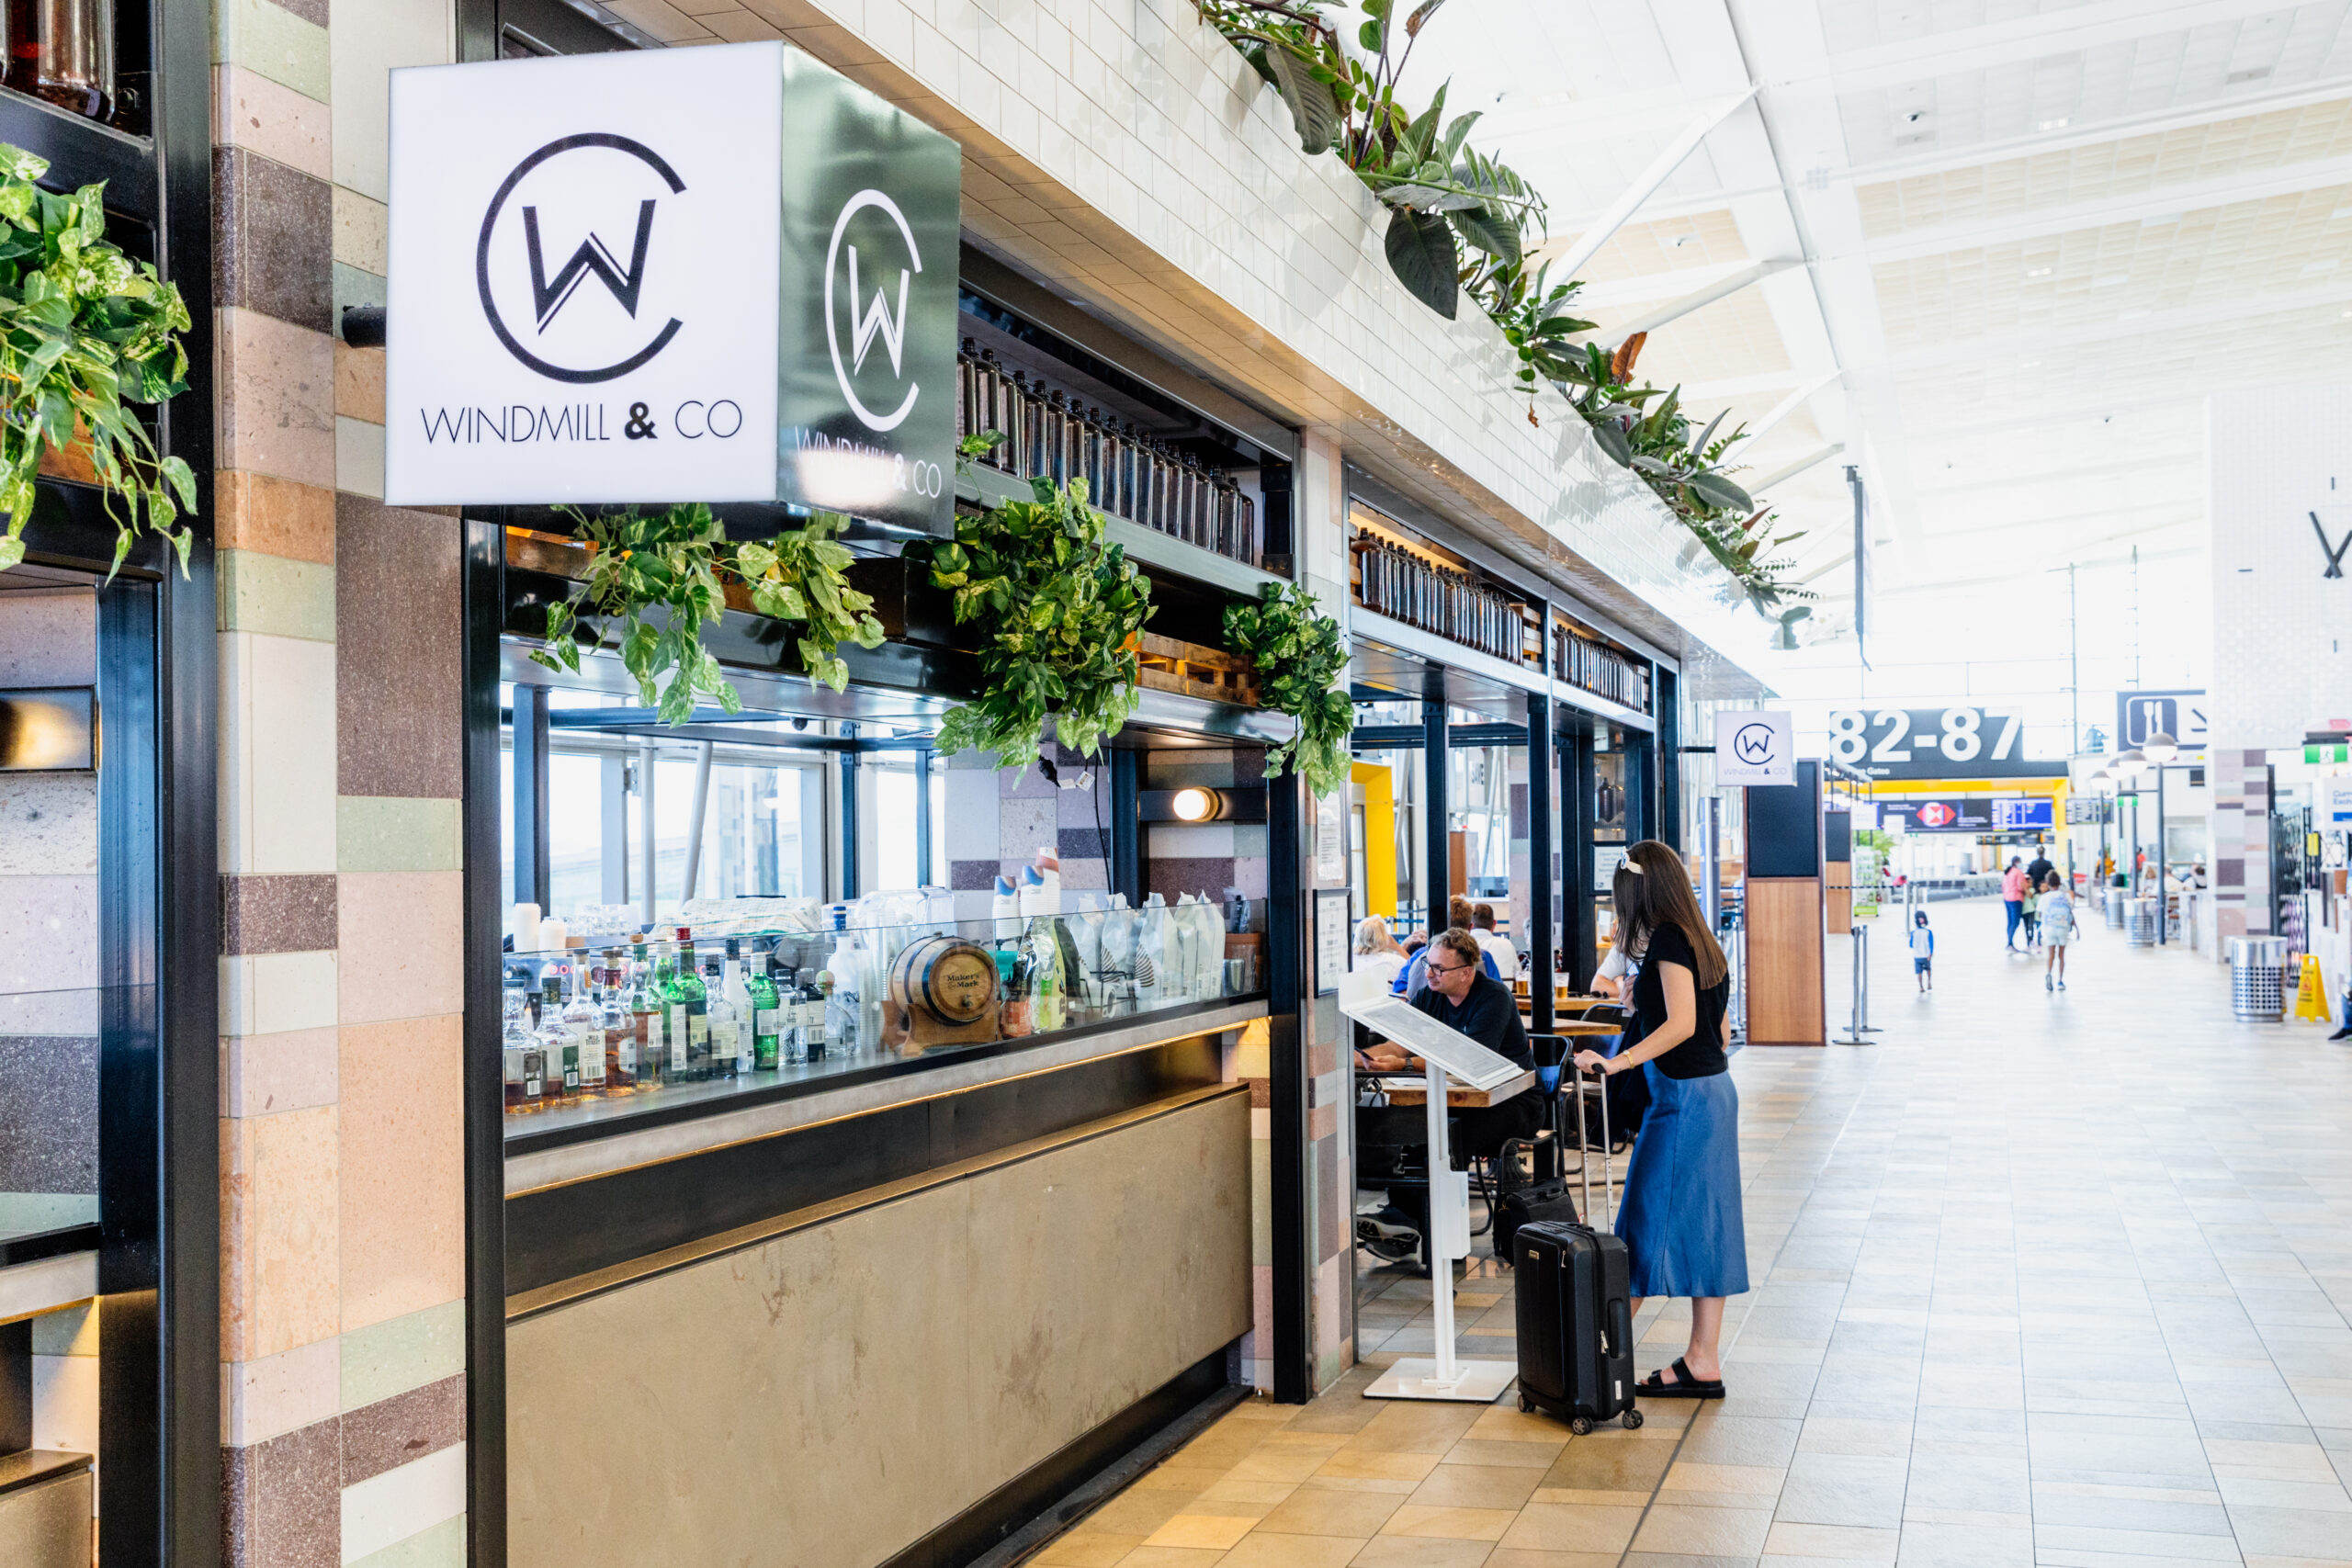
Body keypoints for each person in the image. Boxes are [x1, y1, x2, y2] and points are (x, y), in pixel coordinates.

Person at [1572, 840, 1746, 1399]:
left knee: (1640, 1225)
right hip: (1713, 1091)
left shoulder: (1668, 939)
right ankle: (1702, 1360)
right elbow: (1715, 1032)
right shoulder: (1700, 938)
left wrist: (1615, 1058)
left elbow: (1680, 1025)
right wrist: (1641, 1006)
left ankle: (1596, 1360)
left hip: (1683, 1101)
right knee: (1709, 1226)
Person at [1360, 928, 1542, 1162]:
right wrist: (1364, 1057)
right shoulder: (1429, 996)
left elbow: (1467, 1059)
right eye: (1428, 964)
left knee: (1448, 1134)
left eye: (1440, 969)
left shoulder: (1494, 998)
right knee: (1411, 1128)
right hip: (1457, 1097)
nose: (1428, 974)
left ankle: (1447, 1195)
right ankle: (1411, 1197)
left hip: (1513, 1100)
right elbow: (1399, 1044)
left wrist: (1404, 1064)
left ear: (1466, 973)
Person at [1394, 897, 1498, 996]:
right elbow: (1497, 992)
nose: (1429, 974)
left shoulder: (1420, 956)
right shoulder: (1484, 958)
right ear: (1471, 927)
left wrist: (1403, 945)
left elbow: (1400, 994)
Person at [1469, 902, 1521, 981]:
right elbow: (1519, 974)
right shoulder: (1507, 944)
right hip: (1505, 992)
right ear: (1494, 924)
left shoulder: (1463, 947)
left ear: (1470, 925)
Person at [2040, 872, 2074, 990]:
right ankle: (2060, 981)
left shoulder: (2044, 897)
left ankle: (2049, 974)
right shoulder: (2066, 896)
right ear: (2059, 883)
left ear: (2048, 883)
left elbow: (2039, 914)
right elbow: (2071, 910)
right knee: (2061, 955)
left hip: (2050, 928)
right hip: (2063, 927)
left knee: (2051, 954)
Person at [1352, 917, 1408, 987]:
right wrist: (1399, 948)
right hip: (1391, 998)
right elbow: (1415, 972)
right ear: (1385, 937)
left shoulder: (1349, 963)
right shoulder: (1396, 961)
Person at [2001, 857, 2029, 950]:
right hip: (2016, 899)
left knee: (2010, 922)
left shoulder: (2007, 872)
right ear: (2017, 862)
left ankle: (2010, 943)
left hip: (2007, 899)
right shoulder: (2018, 872)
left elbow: (2003, 886)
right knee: (2015, 922)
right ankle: (2009, 943)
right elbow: (2022, 886)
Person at [1909, 909, 1935, 994]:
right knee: (1928, 969)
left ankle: (1921, 987)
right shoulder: (1928, 932)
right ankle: (1929, 982)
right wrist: (1931, 953)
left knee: (1919, 971)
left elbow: (1911, 945)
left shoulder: (1913, 933)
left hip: (1917, 956)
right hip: (1926, 955)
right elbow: (1931, 944)